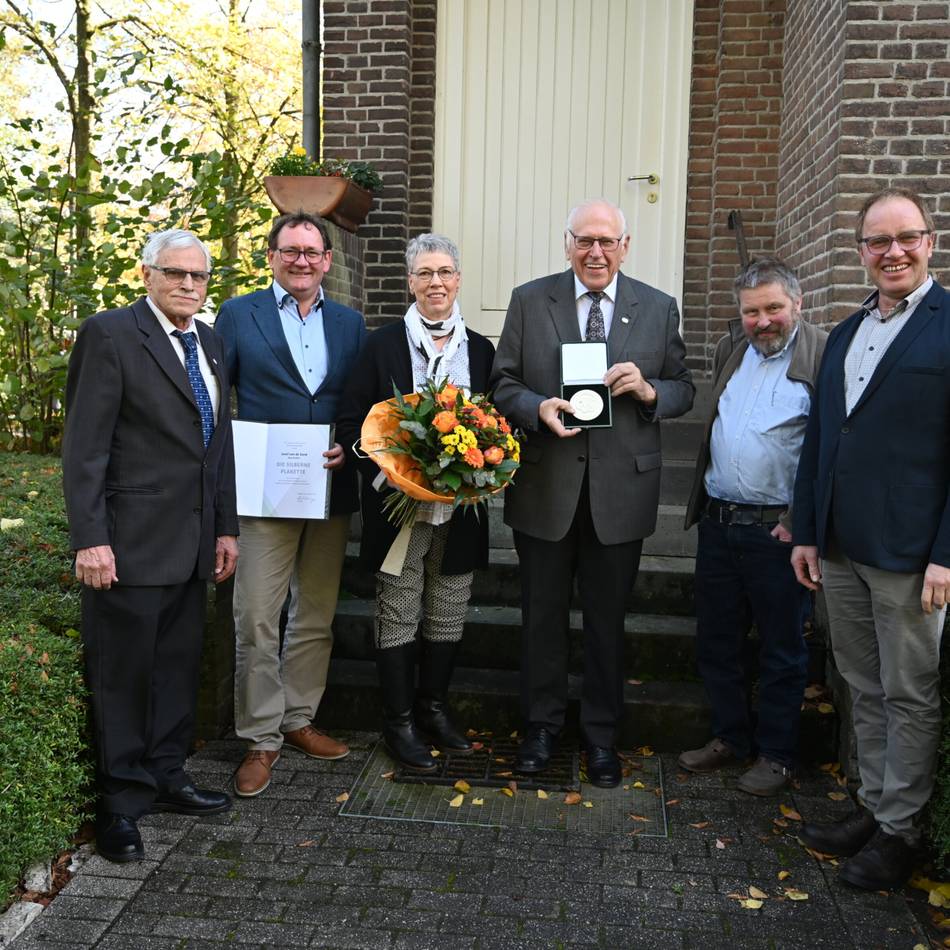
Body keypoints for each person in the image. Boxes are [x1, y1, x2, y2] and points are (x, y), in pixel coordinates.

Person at [490, 198, 694, 787]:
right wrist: (536, 407)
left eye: (608, 241)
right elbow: (502, 381)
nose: (596, 252)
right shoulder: (531, 300)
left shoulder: (657, 307)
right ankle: (541, 727)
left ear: (625, 246)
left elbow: (685, 388)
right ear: (567, 243)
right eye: (585, 241)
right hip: (546, 486)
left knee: (607, 623)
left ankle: (602, 736)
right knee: (541, 619)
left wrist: (651, 390)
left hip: (619, 493)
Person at [62, 229, 238, 863]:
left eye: (198, 276)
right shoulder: (110, 335)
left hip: (191, 546)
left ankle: (167, 775)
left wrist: (225, 528)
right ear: (147, 275)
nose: (188, 284)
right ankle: (120, 804)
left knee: (174, 672)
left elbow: (216, 447)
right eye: (175, 273)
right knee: (123, 677)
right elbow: (85, 449)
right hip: (128, 546)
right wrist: (91, 539)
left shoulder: (210, 342)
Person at [791, 187, 950, 890]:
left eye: (905, 237)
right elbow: (822, 439)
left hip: (913, 554)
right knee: (862, 683)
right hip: (841, 547)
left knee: (909, 691)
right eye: (877, 242)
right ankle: (874, 807)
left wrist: (947, 550)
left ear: (930, 241)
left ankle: (901, 833)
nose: (892, 251)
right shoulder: (849, 331)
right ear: (860, 252)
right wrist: (805, 531)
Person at [215, 212, 366, 797]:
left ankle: (299, 718)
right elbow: (216, 395)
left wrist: (349, 448)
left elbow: (362, 406)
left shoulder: (352, 324)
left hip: (328, 488)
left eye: (311, 251)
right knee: (255, 613)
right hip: (260, 489)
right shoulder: (237, 314)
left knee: (315, 613)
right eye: (289, 250)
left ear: (327, 260)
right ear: (272, 256)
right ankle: (260, 737)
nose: (301, 260)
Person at [337, 234, 494, 771]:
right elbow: (352, 421)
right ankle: (398, 721)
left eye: (445, 272)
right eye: (424, 273)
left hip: (462, 509)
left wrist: (487, 464)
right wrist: (390, 475)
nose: (436, 283)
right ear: (409, 281)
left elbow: (494, 426)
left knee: (448, 610)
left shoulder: (481, 348)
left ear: (458, 279)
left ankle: (433, 710)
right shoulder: (380, 346)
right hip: (397, 509)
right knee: (399, 611)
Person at [679, 258, 827, 796]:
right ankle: (730, 738)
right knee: (717, 640)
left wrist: (801, 522)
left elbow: (828, 449)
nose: (762, 321)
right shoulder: (730, 352)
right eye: (750, 312)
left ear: (797, 303)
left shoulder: (823, 353)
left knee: (782, 648)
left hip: (778, 534)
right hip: (719, 525)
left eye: (773, 309)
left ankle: (778, 755)